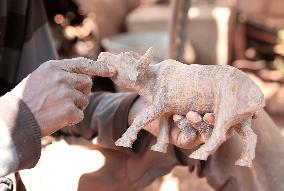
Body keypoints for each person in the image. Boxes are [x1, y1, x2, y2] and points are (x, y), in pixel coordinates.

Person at [1, 1, 284, 191]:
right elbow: (30, 112)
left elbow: (51, 114)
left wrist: (130, 111)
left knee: (228, 131)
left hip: (27, 152)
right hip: (11, 160)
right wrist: (20, 118)